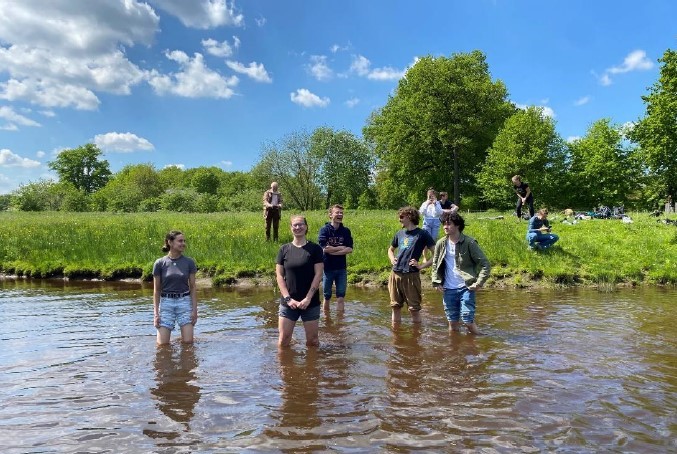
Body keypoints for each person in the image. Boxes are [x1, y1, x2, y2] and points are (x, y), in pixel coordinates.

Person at [432, 212, 491, 334]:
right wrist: (436, 281)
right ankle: (454, 350)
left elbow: (485, 264)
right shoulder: (440, 243)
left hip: (467, 287)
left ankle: (481, 341)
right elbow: (435, 264)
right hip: (448, 289)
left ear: (457, 225)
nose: (445, 227)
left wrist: (479, 283)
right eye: (444, 224)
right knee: (452, 323)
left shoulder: (469, 243)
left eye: (449, 224)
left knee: (467, 320)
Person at [276, 215, 324, 347]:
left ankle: (312, 367)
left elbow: (319, 274)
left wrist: (308, 298)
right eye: (295, 225)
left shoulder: (315, 249)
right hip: (288, 303)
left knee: (313, 341)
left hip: (311, 302)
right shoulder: (284, 249)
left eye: (301, 224)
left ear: (306, 227)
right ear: (291, 228)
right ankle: (283, 368)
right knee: (283, 340)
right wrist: (288, 299)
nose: (298, 227)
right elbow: (279, 276)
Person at [387, 206, 436, 324]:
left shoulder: (422, 234)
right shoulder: (399, 233)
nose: (399, 219)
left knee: (414, 309)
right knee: (395, 307)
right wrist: (392, 259)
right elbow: (390, 249)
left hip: (411, 276)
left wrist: (421, 266)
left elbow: (437, 254)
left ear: (409, 216)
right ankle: (396, 339)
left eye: (401, 217)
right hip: (395, 274)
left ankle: (416, 339)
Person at [153, 230, 198, 345]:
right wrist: (156, 314)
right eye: (180, 241)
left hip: (184, 302)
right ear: (170, 242)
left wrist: (194, 310)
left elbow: (192, 288)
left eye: (184, 241)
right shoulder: (159, 263)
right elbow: (156, 290)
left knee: (188, 343)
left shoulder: (189, 262)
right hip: (166, 304)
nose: (183, 243)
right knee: (162, 345)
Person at [318, 204, 354, 313]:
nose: (340, 215)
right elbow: (324, 249)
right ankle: (326, 320)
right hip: (327, 268)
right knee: (327, 297)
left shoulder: (346, 231)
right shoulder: (324, 230)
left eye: (341, 213)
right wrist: (341, 248)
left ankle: (340, 324)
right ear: (330, 215)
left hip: (341, 269)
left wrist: (334, 251)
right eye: (337, 212)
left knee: (341, 297)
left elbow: (350, 249)